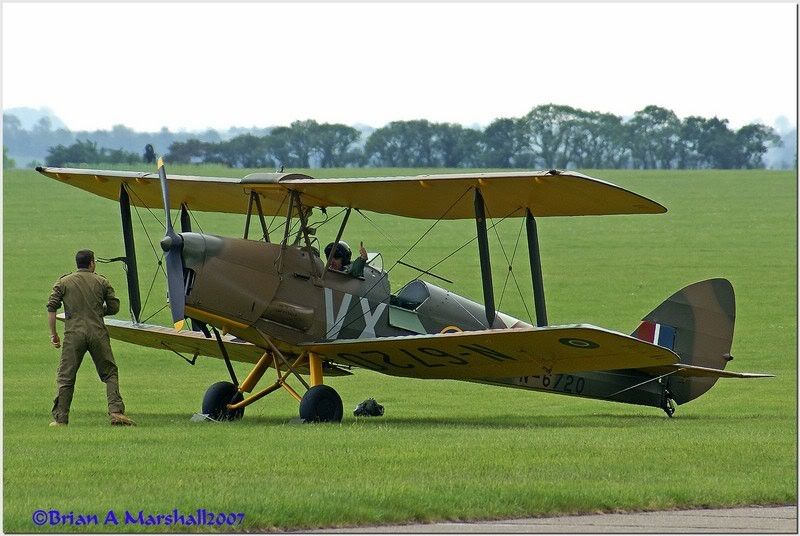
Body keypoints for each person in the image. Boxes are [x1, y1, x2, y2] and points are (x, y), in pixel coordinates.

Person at [47, 250, 135, 426]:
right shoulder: (101, 281)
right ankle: (116, 411)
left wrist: (54, 334)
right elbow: (114, 306)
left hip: (73, 334)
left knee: (66, 376)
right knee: (109, 372)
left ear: (77, 263)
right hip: (97, 333)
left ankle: (61, 419)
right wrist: (98, 311)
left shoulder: (64, 282)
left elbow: (51, 307)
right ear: (92, 263)